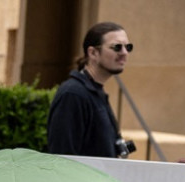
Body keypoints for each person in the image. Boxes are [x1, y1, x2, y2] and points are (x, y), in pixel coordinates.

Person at [47, 21, 134, 158]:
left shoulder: (95, 92)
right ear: (93, 52)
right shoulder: (73, 94)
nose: (124, 53)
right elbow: (63, 157)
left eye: (128, 47)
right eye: (117, 47)